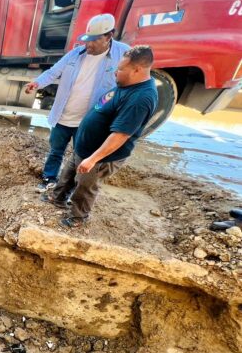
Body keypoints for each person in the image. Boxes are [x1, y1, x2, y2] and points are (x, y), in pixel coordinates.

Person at [42, 45, 158, 228]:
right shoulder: (128, 84)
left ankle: (78, 217)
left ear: (137, 70)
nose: (115, 73)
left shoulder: (141, 98)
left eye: (120, 69)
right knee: (68, 174)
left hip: (101, 156)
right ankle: (57, 198)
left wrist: (93, 159)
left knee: (85, 186)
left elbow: (120, 135)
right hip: (86, 147)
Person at [25, 14, 130, 191]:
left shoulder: (123, 54)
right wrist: (37, 83)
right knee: (56, 150)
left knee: (81, 155)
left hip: (90, 120)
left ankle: (71, 187)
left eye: (94, 40)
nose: (88, 45)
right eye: (87, 40)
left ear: (109, 36)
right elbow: (53, 72)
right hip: (64, 115)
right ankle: (49, 178)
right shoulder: (75, 54)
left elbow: (133, 78)